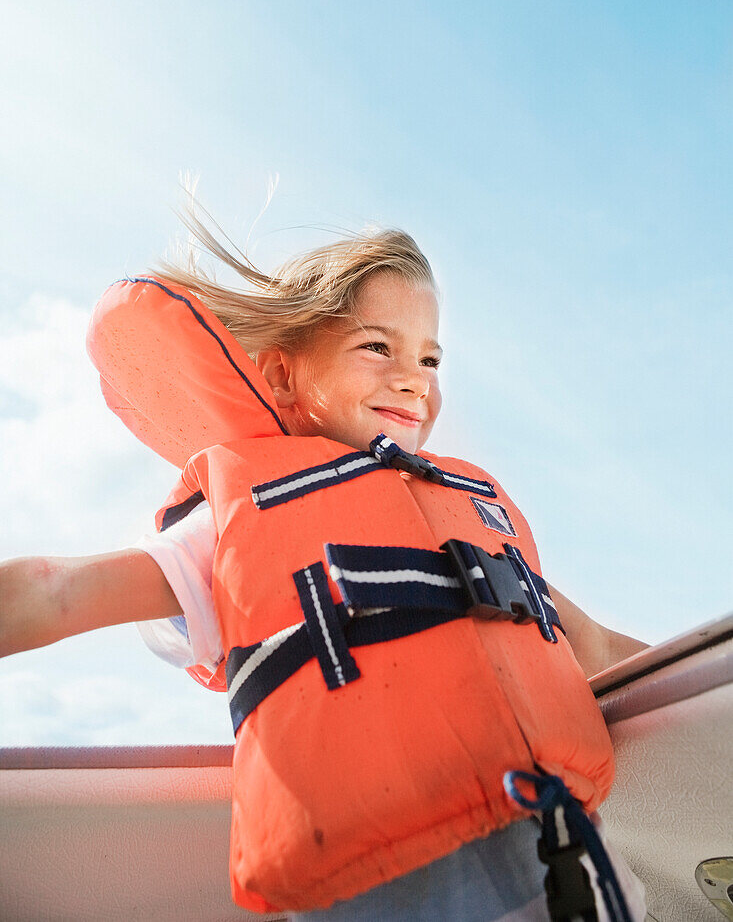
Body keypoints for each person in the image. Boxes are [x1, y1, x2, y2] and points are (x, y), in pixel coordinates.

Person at [1, 208, 649, 920]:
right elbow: (54, 594)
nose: (412, 380)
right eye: (377, 347)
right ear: (281, 373)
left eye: (429, 359)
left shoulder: (457, 520)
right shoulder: (239, 522)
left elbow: (597, 646)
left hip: (565, 871)